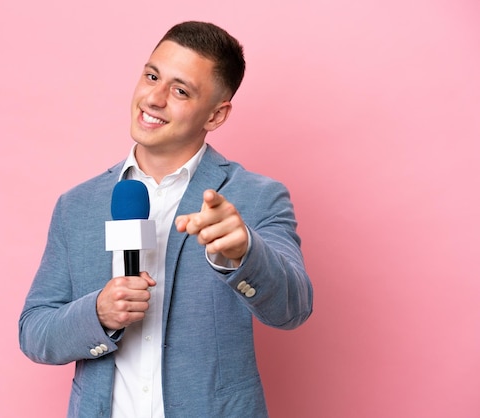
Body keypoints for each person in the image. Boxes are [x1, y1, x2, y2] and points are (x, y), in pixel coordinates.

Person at [19, 21, 313, 417]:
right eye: (151, 76)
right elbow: (34, 330)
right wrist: (98, 313)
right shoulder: (77, 205)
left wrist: (244, 252)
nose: (153, 98)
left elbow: (294, 308)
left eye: (180, 90)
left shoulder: (257, 196)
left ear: (216, 115)